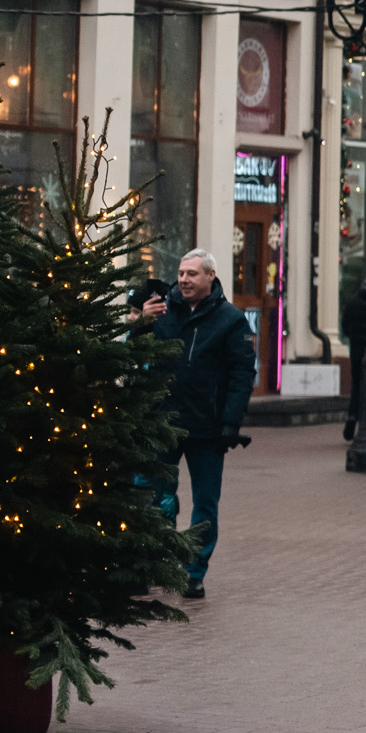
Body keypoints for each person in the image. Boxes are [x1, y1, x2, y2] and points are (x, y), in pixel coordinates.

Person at [135, 249, 255, 599]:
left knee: (205, 503)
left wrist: (231, 421)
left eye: (192, 274)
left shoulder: (231, 320)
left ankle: (194, 571)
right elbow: (136, 355)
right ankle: (156, 564)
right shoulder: (160, 311)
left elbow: (242, 373)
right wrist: (141, 322)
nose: (184, 280)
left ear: (211, 277)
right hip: (163, 422)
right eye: (181, 273)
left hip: (207, 428)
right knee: (157, 496)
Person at [340, 283, 366, 441]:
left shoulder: (353, 303)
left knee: (357, 386)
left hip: (356, 353)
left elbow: (345, 327)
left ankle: (352, 416)